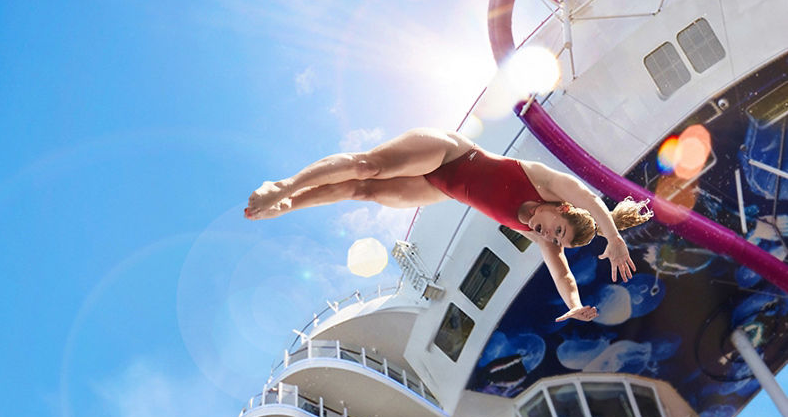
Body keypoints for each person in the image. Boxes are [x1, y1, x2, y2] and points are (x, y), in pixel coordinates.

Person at [245, 128, 652, 323]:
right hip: (449, 154)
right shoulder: (546, 182)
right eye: (556, 230)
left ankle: (289, 204)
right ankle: (284, 185)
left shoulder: (535, 232)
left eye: (553, 239)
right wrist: (614, 239)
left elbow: (561, 273)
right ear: (562, 209)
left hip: (439, 187)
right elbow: (591, 197)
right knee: (369, 166)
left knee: (364, 191)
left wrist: (574, 306)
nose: (547, 236)